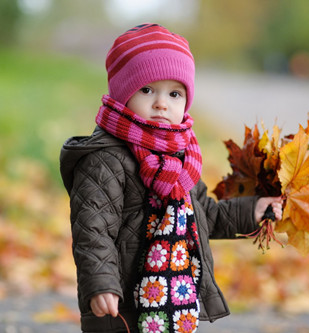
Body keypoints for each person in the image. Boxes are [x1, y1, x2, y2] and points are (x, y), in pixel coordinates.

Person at [60, 23, 283, 333]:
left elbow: (203, 215)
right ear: (122, 93)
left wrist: (252, 211)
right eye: (147, 89)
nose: (161, 103)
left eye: (174, 93)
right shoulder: (105, 159)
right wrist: (100, 283)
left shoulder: (181, 159)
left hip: (172, 299)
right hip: (123, 300)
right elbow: (93, 229)